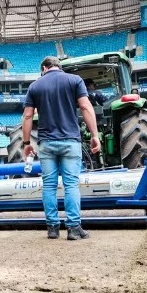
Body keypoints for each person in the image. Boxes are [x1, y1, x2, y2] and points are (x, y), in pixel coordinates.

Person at [22, 56, 100, 240]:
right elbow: (85, 107)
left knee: (49, 185)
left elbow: (27, 116)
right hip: (70, 141)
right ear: (59, 66)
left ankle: (52, 228)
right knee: (71, 184)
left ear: (44, 68)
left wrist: (26, 144)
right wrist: (95, 135)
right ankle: (73, 228)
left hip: (46, 143)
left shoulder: (35, 86)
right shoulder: (75, 80)